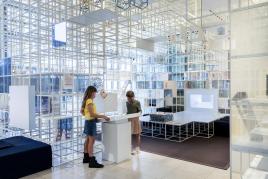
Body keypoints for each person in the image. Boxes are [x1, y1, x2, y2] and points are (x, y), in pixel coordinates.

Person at [80, 86, 110, 168]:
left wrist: (87, 116)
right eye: (94, 93)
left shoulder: (86, 100)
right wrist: (103, 116)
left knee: (88, 140)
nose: (95, 94)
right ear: (91, 92)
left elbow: (82, 111)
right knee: (91, 141)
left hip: (88, 121)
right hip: (90, 122)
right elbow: (92, 114)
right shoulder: (89, 100)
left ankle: (86, 157)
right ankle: (91, 160)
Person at [126, 90, 142, 155]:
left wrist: (138, 114)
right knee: (128, 135)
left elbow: (140, 111)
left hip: (136, 120)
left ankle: (137, 148)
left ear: (133, 96)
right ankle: (130, 148)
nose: (129, 99)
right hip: (128, 120)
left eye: (130, 97)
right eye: (128, 98)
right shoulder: (126, 103)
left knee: (137, 134)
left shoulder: (137, 102)